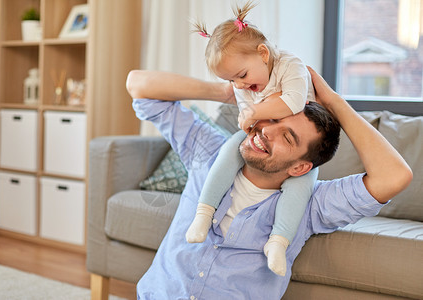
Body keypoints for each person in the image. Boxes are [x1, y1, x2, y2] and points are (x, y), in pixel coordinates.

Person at [125, 67, 412, 300]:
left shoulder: (312, 205)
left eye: (287, 137)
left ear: (301, 167)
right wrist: (227, 93)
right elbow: (138, 84)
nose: (266, 131)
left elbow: (394, 177)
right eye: (272, 118)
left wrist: (335, 102)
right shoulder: (210, 152)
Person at [186, 1, 316, 276]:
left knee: (302, 183)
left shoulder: (290, 65)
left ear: (263, 53)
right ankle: (204, 213)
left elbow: (294, 102)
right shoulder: (244, 84)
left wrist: (254, 111)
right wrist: (250, 121)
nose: (241, 86)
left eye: (242, 75)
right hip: (267, 137)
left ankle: (278, 242)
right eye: (232, 81)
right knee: (230, 149)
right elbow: (247, 114)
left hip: (297, 145)